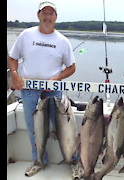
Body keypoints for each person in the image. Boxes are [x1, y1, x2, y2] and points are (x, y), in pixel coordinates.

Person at [8, 1, 76, 177]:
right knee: (33, 128)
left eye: (51, 13)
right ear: (38, 15)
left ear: (56, 17)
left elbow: (71, 67)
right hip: (29, 91)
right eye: (44, 13)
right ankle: (39, 160)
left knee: (63, 127)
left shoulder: (62, 41)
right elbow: (13, 57)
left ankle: (74, 160)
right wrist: (15, 74)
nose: (47, 16)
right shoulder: (26, 35)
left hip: (53, 91)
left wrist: (57, 77)